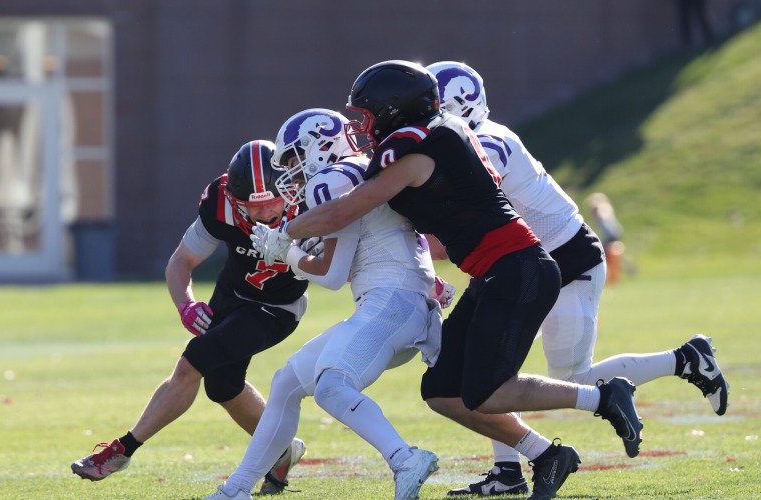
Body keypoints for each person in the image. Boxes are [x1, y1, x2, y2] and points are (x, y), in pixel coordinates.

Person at [252, 60, 644, 500]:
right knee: (441, 391)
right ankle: (548, 457)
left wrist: (286, 234)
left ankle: (605, 397)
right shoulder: (437, 135)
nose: (362, 126)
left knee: (487, 392)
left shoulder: (417, 148)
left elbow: (346, 210)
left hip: (517, 268)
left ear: (394, 109)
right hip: (492, 272)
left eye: (367, 114)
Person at [427, 60, 730, 497]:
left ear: (457, 106)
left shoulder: (488, 143)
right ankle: (508, 470)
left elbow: (450, 197)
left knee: (570, 375)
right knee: (486, 370)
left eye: (430, 108)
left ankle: (685, 360)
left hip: (567, 260)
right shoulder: (465, 139)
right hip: (508, 264)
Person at [204, 108, 452, 500]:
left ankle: (404, 458)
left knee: (332, 386)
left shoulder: (332, 180)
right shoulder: (363, 170)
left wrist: (285, 252)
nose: (292, 172)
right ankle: (235, 490)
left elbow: (332, 275)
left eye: (294, 159)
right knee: (286, 383)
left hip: (391, 304)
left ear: (319, 147)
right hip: (397, 303)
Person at [70, 140, 308, 494]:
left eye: (272, 201)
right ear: (235, 200)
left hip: (277, 307)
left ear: (289, 188)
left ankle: (123, 449)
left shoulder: (311, 198)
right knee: (223, 387)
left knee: (192, 362)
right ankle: (283, 450)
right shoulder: (220, 203)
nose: (266, 213)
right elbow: (181, 262)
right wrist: (186, 304)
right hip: (232, 295)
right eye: (253, 206)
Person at [585, 192, 626, 286]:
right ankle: (610, 281)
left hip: (611, 237)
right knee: (610, 260)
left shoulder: (600, 209)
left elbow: (607, 226)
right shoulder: (606, 208)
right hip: (613, 236)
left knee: (604, 259)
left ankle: (608, 281)